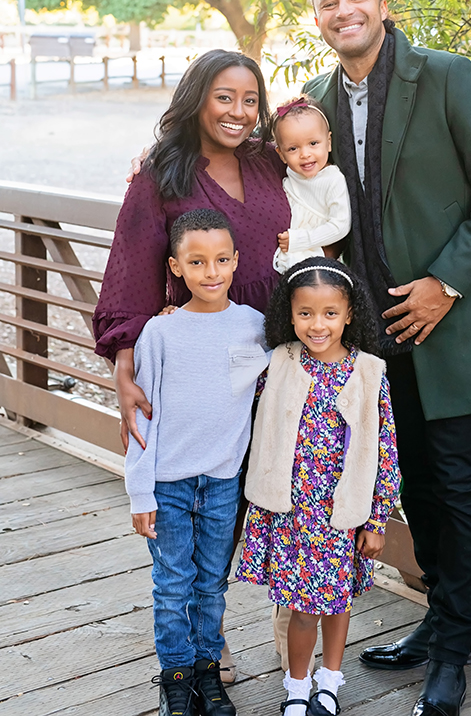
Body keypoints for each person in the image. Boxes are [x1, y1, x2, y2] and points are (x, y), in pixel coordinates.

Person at [302, 0, 471, 716]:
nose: (344, 10)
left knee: (459, 488)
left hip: (449, 326)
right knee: (414, 490)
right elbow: (283, 188)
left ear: (381, 4)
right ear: (318, 20)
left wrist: (446, 283)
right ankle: (440, 623)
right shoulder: (315, 103)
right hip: (371, 341)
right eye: (329, 3)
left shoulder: (444, 75)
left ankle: (454, 649)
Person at [94, 48, 291, 684]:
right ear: (197, 99)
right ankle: (210, 634)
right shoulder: (163, 173)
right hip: (202, 358)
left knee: (271, 483)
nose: (238, 111)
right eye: (224, 97)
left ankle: (296, 625)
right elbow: (133, 267)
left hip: (279, 347)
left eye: (250, 100)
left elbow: (319, 137)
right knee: (211, 495)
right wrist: (127, 367)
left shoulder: (270, 160)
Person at [236, 258, 401, 716]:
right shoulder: (278, 363)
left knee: (336, 599)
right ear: (289, 314)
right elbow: (231, 384)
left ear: (349, 314)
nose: (317, 324)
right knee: (302, 606)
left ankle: (330, 680)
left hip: (342, 514)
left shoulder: (369, 373)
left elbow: (385, 451)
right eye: (305, 312)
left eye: (330, 313)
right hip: (291, 512)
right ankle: (297, 686)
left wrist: (378, 518)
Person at [125, 208, 270, 716]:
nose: (212, 272)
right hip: (167, 483)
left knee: (211, 583)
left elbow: (266, 385)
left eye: (222, 260)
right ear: (176, 267)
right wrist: (140, 491)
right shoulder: (160, 335)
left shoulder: (255, 327)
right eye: (197, 261)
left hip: (223, 481)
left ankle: (210, 675)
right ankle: (176, 679)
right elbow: (142, 420)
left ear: (236, 262)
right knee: (171, 587)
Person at [272, 96, 351, 273]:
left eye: (313, 143)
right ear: (281, 154)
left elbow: (341, 225)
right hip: (287, 252)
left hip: (315, 254)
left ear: (328, 142)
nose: (305, 154)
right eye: (293, 148)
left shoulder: (332, 180)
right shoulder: (289, 176)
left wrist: (300, 240)